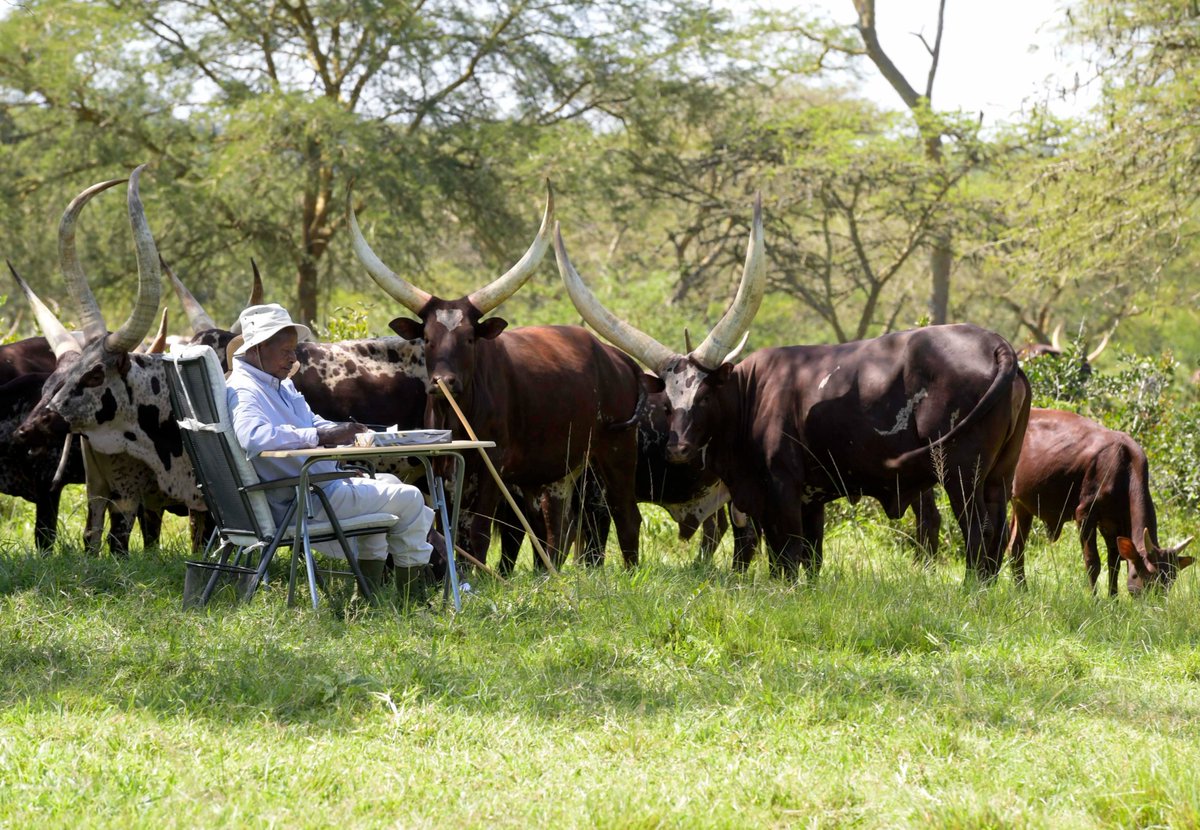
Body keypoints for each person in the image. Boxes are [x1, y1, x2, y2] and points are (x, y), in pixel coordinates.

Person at [226, 303, 434, 601]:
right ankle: (412, 602)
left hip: (312, 488)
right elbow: (255, 438)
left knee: (390, 487)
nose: (292, 357)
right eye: (285, 350)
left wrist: (349, 432)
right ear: (258, 348)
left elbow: (312, 421)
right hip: (299, 501)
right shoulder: (246, 390)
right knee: (411, 498)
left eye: (293, 349)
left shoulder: (277, 385)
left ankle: (366, 599)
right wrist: (321, 435)